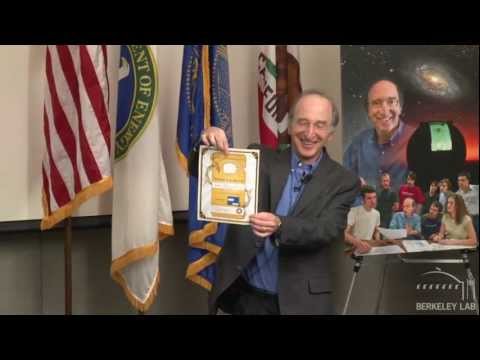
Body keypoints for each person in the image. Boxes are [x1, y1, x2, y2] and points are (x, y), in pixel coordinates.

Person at [195, 90, 360, 315]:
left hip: (303, 303)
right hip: (248, 298)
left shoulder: (343, 181)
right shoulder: (258, 158)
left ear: (330, 133)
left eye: (320, 125)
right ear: (290, 126)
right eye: (303, 122)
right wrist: (207, 144)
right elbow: (205, 175)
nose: (310, 133)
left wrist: (280, 225)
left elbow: (326, 230)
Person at [343, 79, 417, 192]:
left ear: (400, 107)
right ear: (368, 110)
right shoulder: (358, 144)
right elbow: (344, 186)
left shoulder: (418, 139)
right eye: (376, 103)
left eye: (391, 101)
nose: (384, 110)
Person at [344, 185, 381, 254]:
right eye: (369, 198)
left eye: (374, 197)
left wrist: (377, 243)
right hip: (354, 247)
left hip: (369, 247)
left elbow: (377, 231)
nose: (373, 201)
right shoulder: (353, 212)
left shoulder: (377, 213)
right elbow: (344, 234)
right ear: (363, 199)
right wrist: (358, 243)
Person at [456, 171, 479, 237]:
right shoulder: (457, 194)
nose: (460, 182)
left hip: (477, 217)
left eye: (463, 180)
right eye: (459, 180)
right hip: (466, 218)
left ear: (468, 181)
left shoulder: (476, 188)